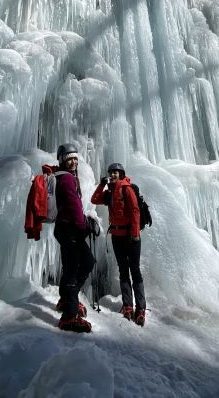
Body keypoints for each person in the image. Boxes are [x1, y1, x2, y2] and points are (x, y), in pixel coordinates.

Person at [91, 162, 146, 326]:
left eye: (116, 172)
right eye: (111, 172)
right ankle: (128, 305)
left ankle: (141, 308)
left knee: (134, 270)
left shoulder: (126, 188)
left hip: (130, 236)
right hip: (117, 236)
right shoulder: (109, 192)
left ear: (121, 174)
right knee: (123, 270)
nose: (113, 174)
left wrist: (135, 233)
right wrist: (101, 185)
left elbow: (135, 211)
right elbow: (94, 199)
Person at [53, 142, 95, 333]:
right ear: (62, 160)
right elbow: (73, 206)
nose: (73, 162)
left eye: (75, 159)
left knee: (84, 262)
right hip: (70, 228)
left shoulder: (66, 178)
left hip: (66, 228)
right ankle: (69, 317)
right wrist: (83, 226)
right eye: (69, 159)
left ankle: (68, 298)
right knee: (75, 267)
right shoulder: (67, 180)